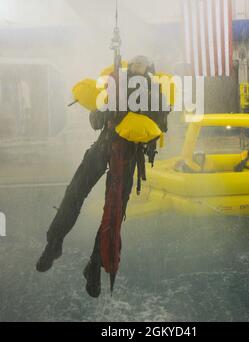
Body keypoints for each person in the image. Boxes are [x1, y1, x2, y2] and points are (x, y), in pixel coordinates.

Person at [36, 55, 170, 296]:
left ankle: (96, 264)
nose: (139, 69)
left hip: (128, 158)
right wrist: (108, 113)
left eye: (143, 66)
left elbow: (160, 128)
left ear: (149, 70)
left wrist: (143, 129)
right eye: (136, 65)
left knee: (113, 214)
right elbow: (95, 120)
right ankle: (54, 243)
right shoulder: (116, 86)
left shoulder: (155, 94)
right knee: (75, 193)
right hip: (104, 146)